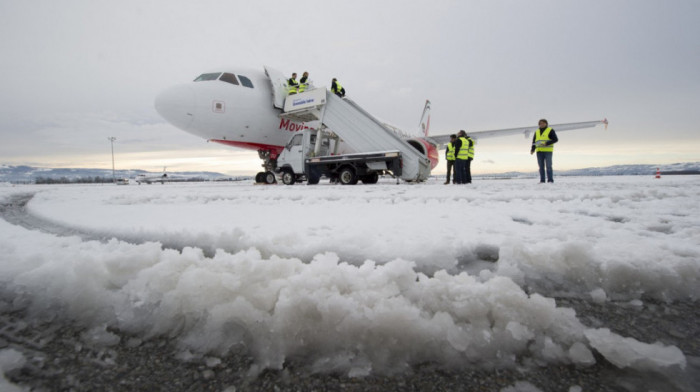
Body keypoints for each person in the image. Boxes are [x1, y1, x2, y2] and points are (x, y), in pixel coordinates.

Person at [530, 118, 558, 183]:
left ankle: (550, 180)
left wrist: (547, 143)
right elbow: (534, 141)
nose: (541, 124)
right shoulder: (537, 132)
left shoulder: (550, 130)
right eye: (540, 123)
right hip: (539, 151)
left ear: (546, 124)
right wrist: (532, 149)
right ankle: (542, 180)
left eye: (543, 123)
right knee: (541, 167)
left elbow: (555, 139)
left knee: (548, 166)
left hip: (547, 151)